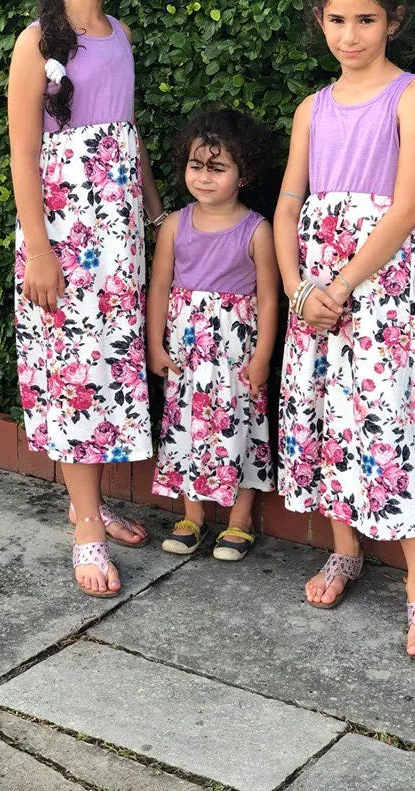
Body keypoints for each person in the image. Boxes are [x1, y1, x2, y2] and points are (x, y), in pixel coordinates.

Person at [274, 0, 415, 661]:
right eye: (337, 20)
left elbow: (406, 207)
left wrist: (342, 284)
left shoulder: (413, 94)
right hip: (314, 285)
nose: (350, 36)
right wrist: (298, 289)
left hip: (374, 287)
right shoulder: (310, 108)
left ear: (393, 21)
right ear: (321, 20)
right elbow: (289, 201)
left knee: (383, 421)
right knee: (323, 414)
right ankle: (344, 549)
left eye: (366, 20)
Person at [8, 0, 165, 599]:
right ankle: (86, 530)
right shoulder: (36, 44)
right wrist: (39, 250)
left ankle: (91, 500)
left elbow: (129, 138)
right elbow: (22, 158)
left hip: (120, 236)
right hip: (65, 240)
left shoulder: (121, 35)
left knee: (107, 373)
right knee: (73, 378)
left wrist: (157, 216)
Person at [149, 108, 280, 561]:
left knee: (241, 429)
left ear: (243, 175)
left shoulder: (257, 230)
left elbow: (268, 299)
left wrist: (262, 356)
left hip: (234, 359)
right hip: (187, 356)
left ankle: (240, 521)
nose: (203, 178)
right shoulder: (173, 225)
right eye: (195, 165)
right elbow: (160, 287)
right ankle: (193, 515)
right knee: (185, 428)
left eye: (217, 168)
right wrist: (155, 344)